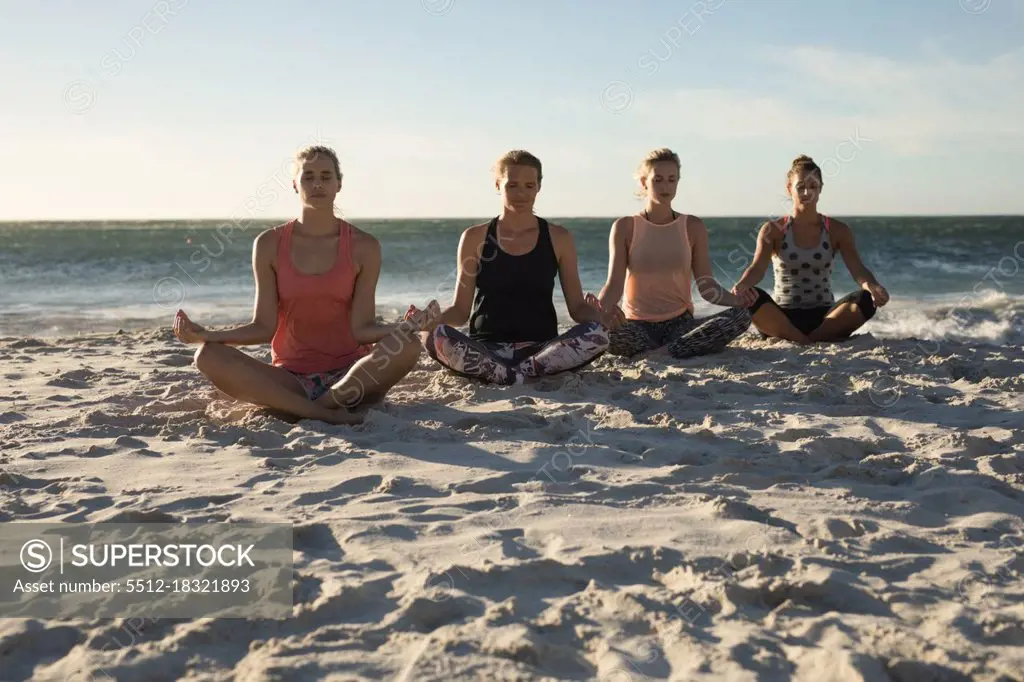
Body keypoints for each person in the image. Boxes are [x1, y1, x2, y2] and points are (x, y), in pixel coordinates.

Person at [172, 145, 432, 424]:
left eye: (325, 176)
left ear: (338, 184)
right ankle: (320, 412)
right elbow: (263, 327)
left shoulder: (364, 246)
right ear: (295, 184)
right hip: (289, 379)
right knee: (207, 356)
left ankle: (322, 403)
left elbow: (362, 330)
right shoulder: (269, 244)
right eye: (308, 176)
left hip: (353, 377)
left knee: (409, 345)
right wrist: (206, 336)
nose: (317, 183)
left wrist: (405, 327)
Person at [410, 150, 614, 385]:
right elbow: (460, 310)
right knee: (432, 335)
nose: (521, 193)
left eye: (529, 185)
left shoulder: (559, 237)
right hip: (486, 349)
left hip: (543, 350)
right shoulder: (475, 237)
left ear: (539, 187)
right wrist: (429, 321)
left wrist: (602, 318)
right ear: (498, 185)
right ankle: (516, 372)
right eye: (512, 185)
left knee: (598, 333)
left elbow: (577, 307)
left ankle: (509, 374)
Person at [593, 148, 754, 360]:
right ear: (644, 182)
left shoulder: (692, 226)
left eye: (671, 179)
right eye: (658, 179)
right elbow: (614, 285)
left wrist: (737, 301)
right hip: (637, 328)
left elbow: (706, 286)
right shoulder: (625, 227)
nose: (665, 186)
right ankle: (673, 350)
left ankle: (663, 352)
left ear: (678, 182)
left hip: (680, 325)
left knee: (741, 316)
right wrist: (598, 313)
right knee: (599, 332)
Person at [732, 154, 889, 343]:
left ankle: (805, 339)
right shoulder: (772, 230)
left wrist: (872, 286)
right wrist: (742, 286)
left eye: (813, 186)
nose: (807, 193)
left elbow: (857, 269)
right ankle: (807, 340)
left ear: (821, 189)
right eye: (801, 187)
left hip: (826, 319)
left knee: (865, 299)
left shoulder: (838, 230)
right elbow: (757, 268)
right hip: (783, 319)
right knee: (751, 297)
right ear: (790, 189)